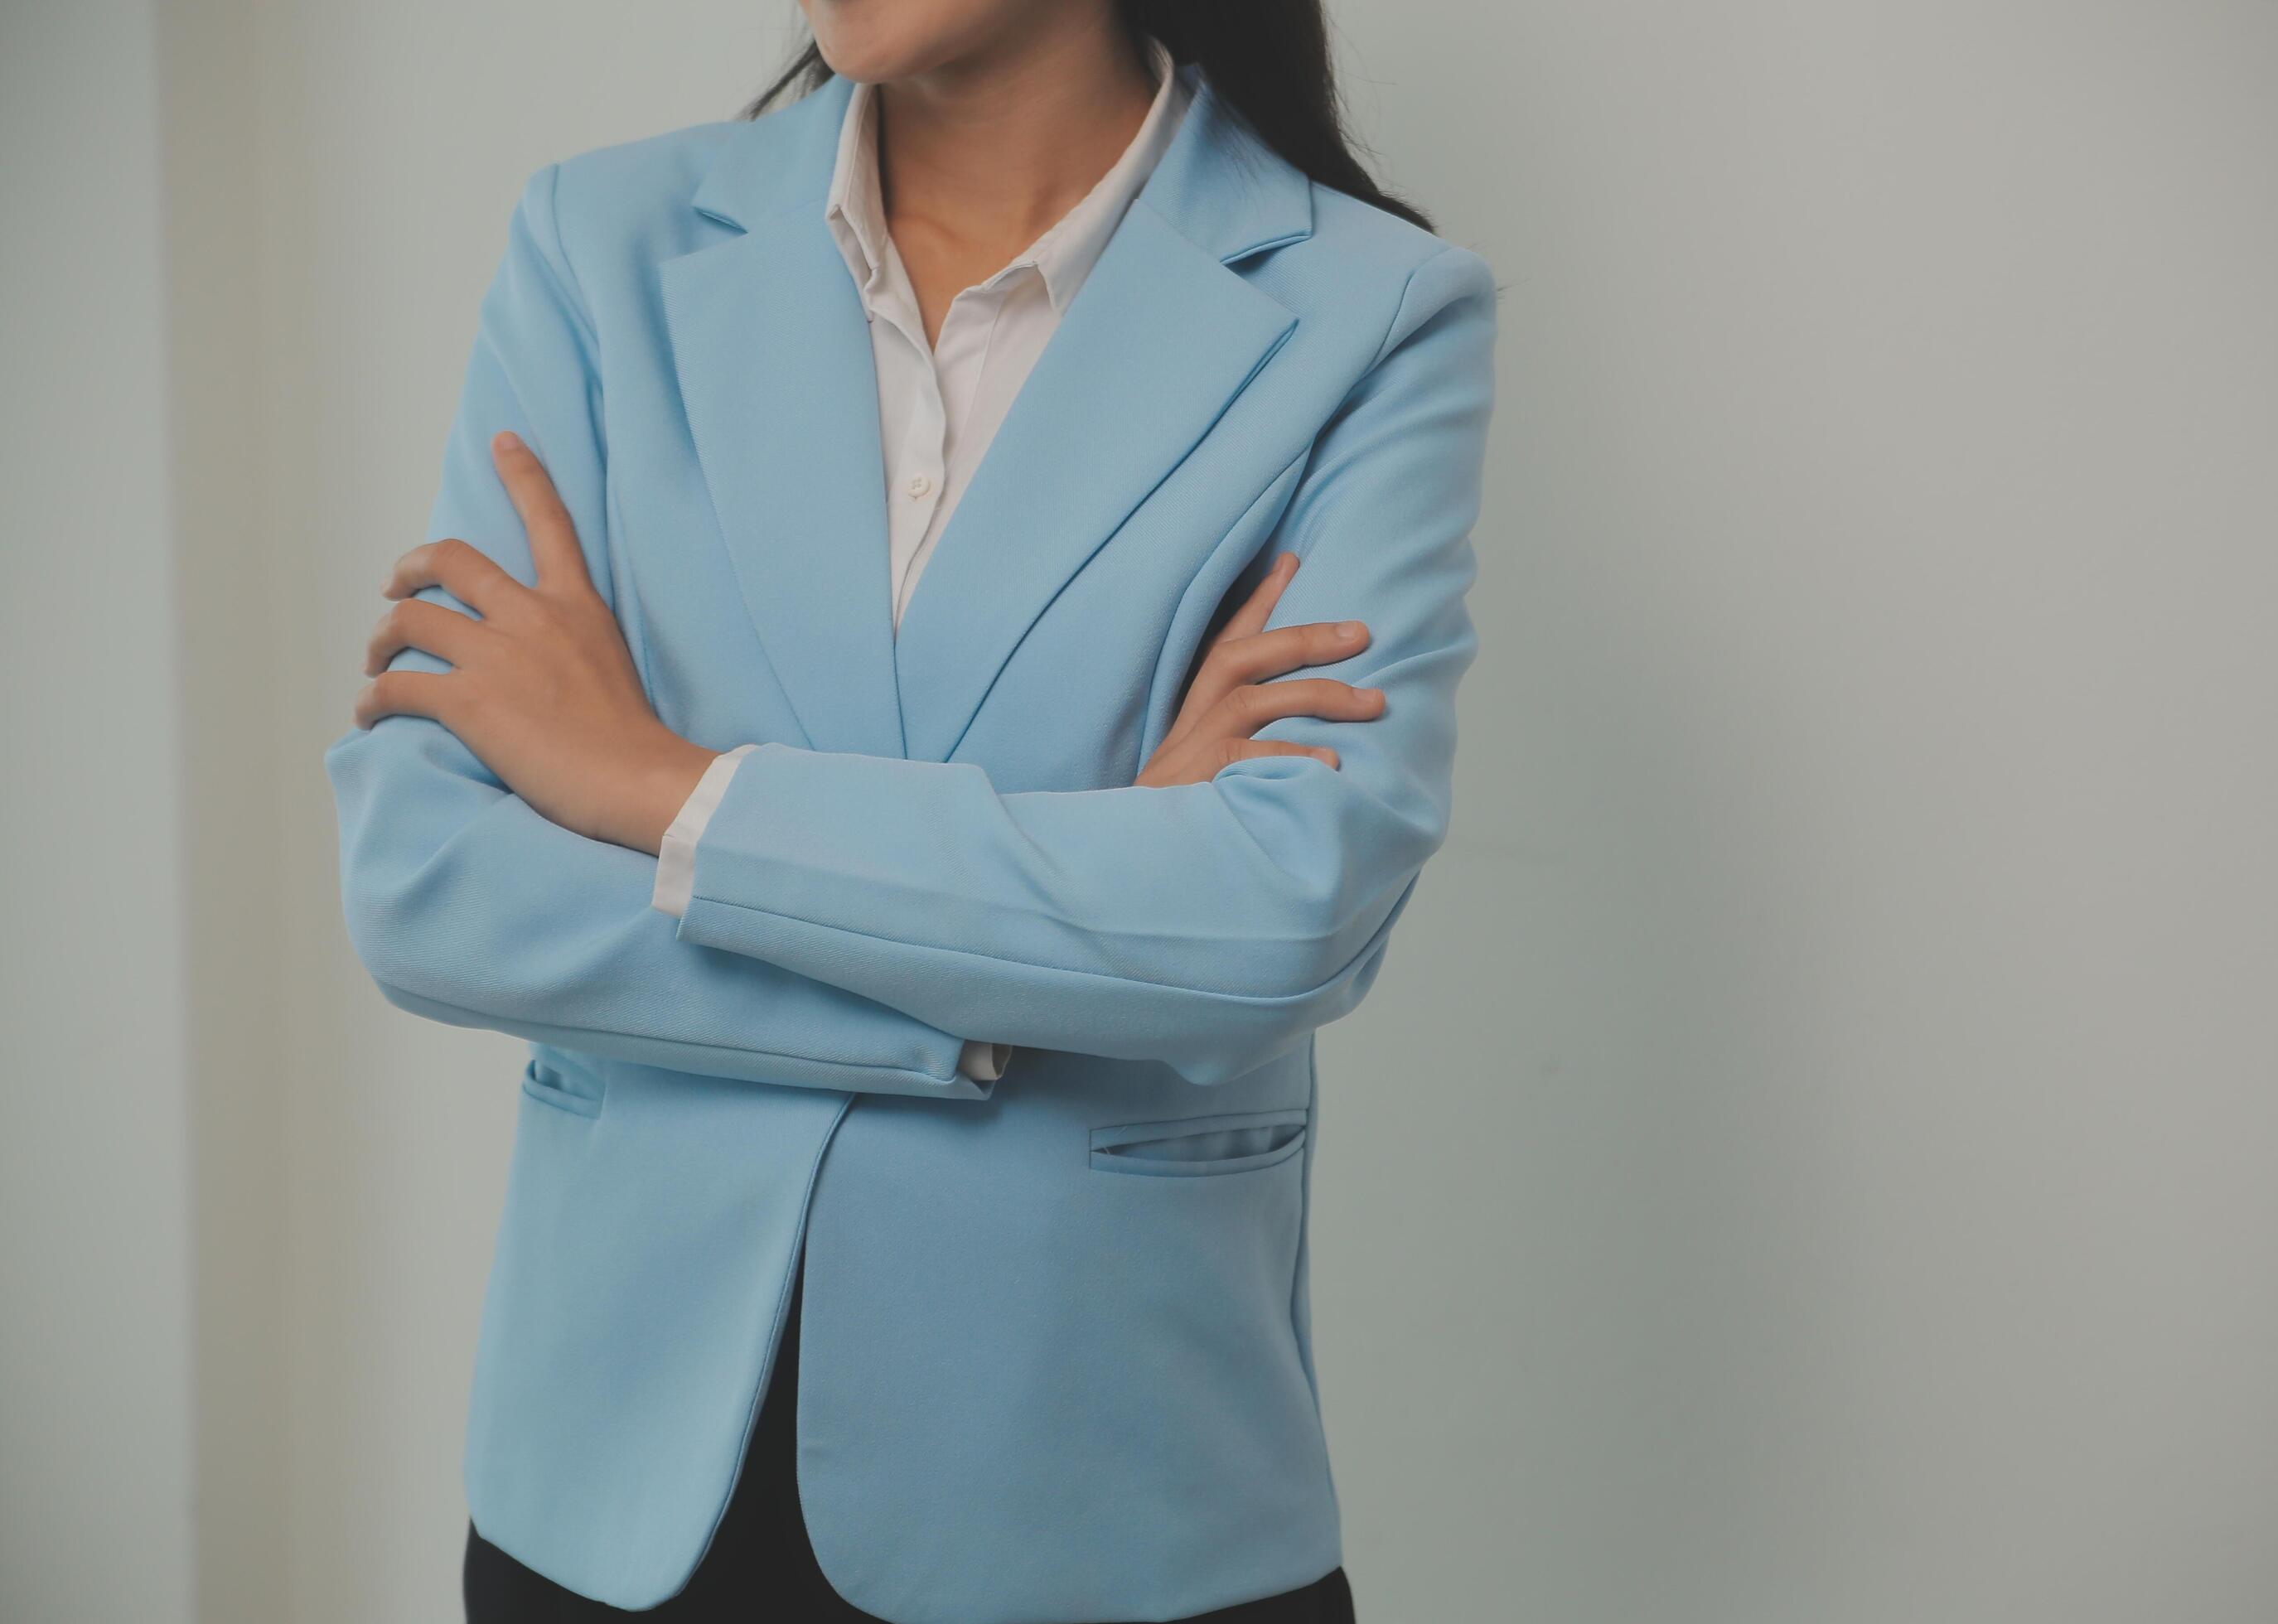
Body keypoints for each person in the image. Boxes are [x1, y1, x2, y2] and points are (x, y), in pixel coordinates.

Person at [324, 1, 1497, 1618]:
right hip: (612, 1478)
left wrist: (653, 785)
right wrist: (1029, 968)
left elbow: (1273, 921)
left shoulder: (1371, 311)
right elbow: (426, 877)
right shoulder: (600, 247)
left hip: (1105, 1483)